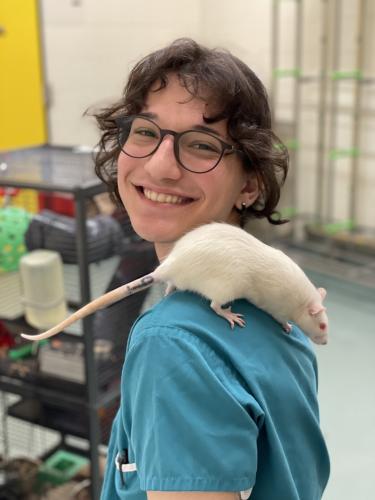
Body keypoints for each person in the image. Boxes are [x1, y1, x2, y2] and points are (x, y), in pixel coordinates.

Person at [94, 38, 330, 500]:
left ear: (250, 184)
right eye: (144, 131)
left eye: (202, 145)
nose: (161, 167)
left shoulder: (172, 342)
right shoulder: (280, 308)